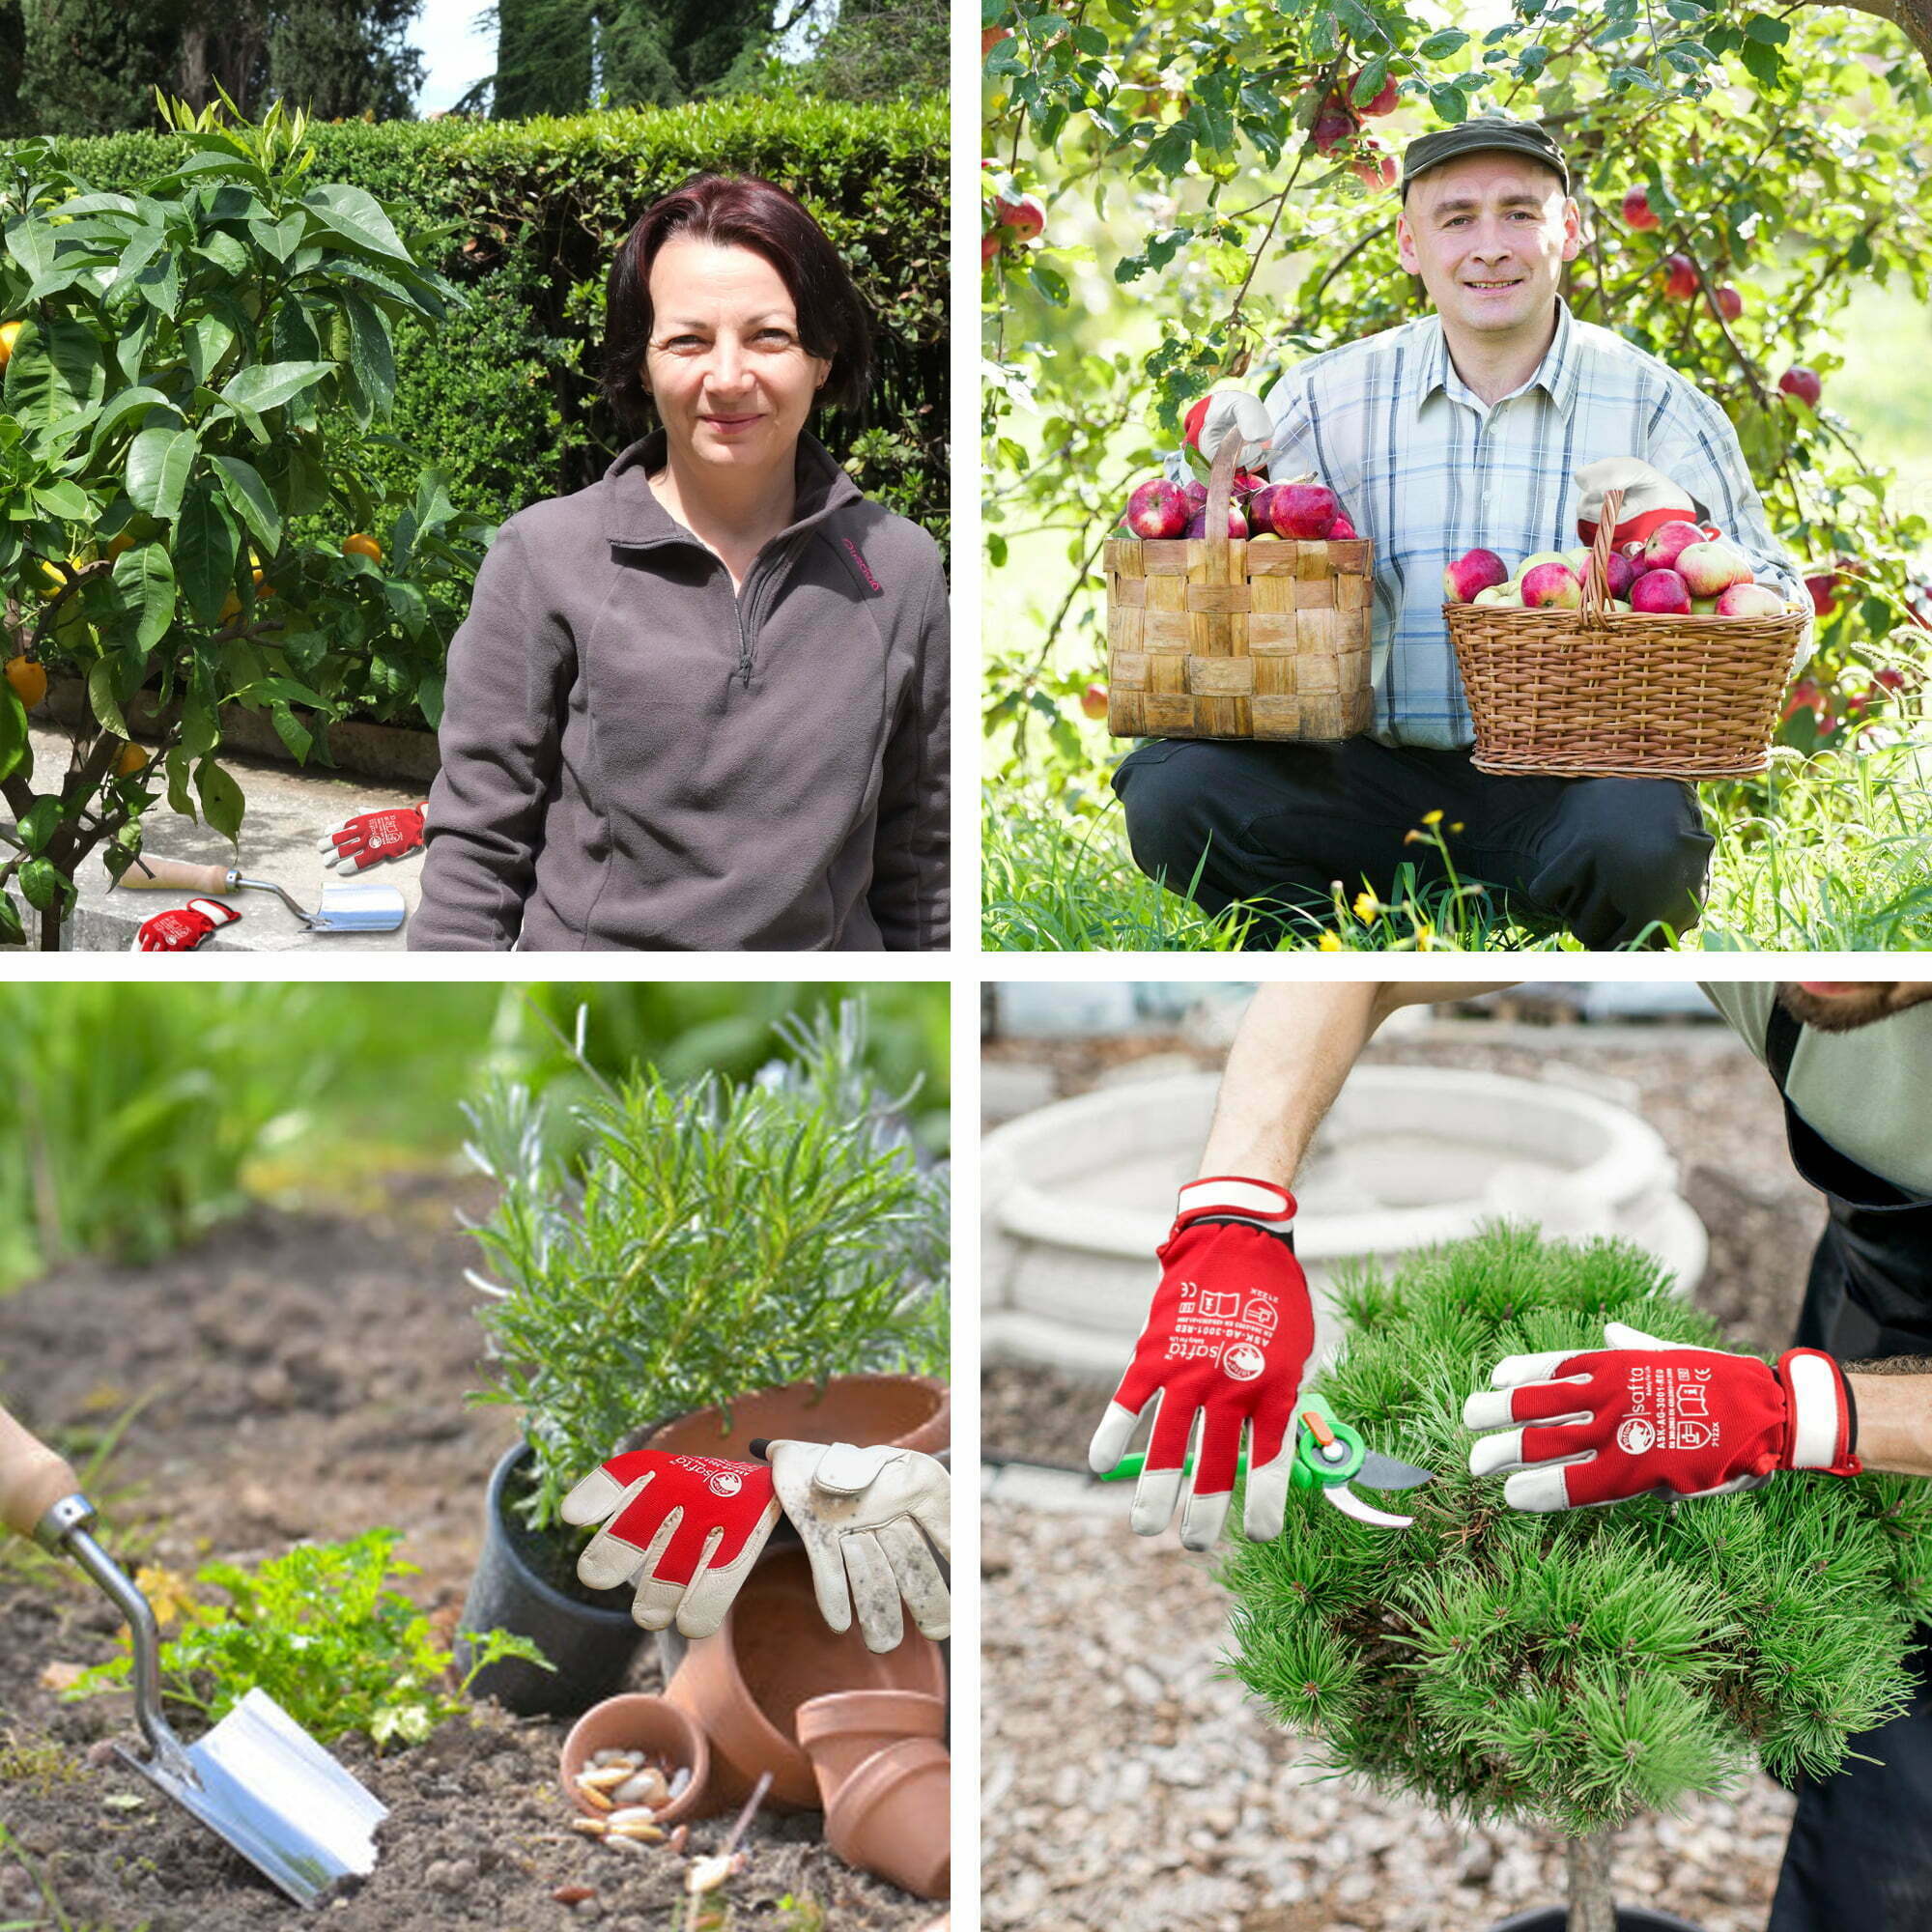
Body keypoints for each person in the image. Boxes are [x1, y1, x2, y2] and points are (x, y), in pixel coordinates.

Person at [1091, 978, 1932, 1931]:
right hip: (1874, 1334)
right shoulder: (1803, 970)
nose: (1815, 970)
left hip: (1850, 1416)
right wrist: (1236, 1205)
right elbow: (1349, 967)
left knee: (1902, 1849)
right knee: (1854, 1770)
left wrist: (1811, 1411)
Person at [1113, 117, 1802, 950]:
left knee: (1641, 835)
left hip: (1572, 780)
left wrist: (1722, 602)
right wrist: (1206, 463)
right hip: (1369, 778)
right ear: (1410, 244)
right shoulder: (1332, 395)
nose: (1490, 246)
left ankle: (1579, 935)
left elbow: (1780, 610)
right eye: (1456, 218)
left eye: (1520, 213)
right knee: (1174, 790)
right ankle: (1338, 946)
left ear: (1569, 232)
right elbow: (1199, 531)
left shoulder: (1654, 405)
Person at [412, 173, 949, 952]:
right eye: (688, 341)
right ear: (640, 362)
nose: (728, 379)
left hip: (829, 1027)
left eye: (769, 337)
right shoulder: (543, 557)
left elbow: (923, 865)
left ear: (823, 358)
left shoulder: (897, 569)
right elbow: (476, 853)